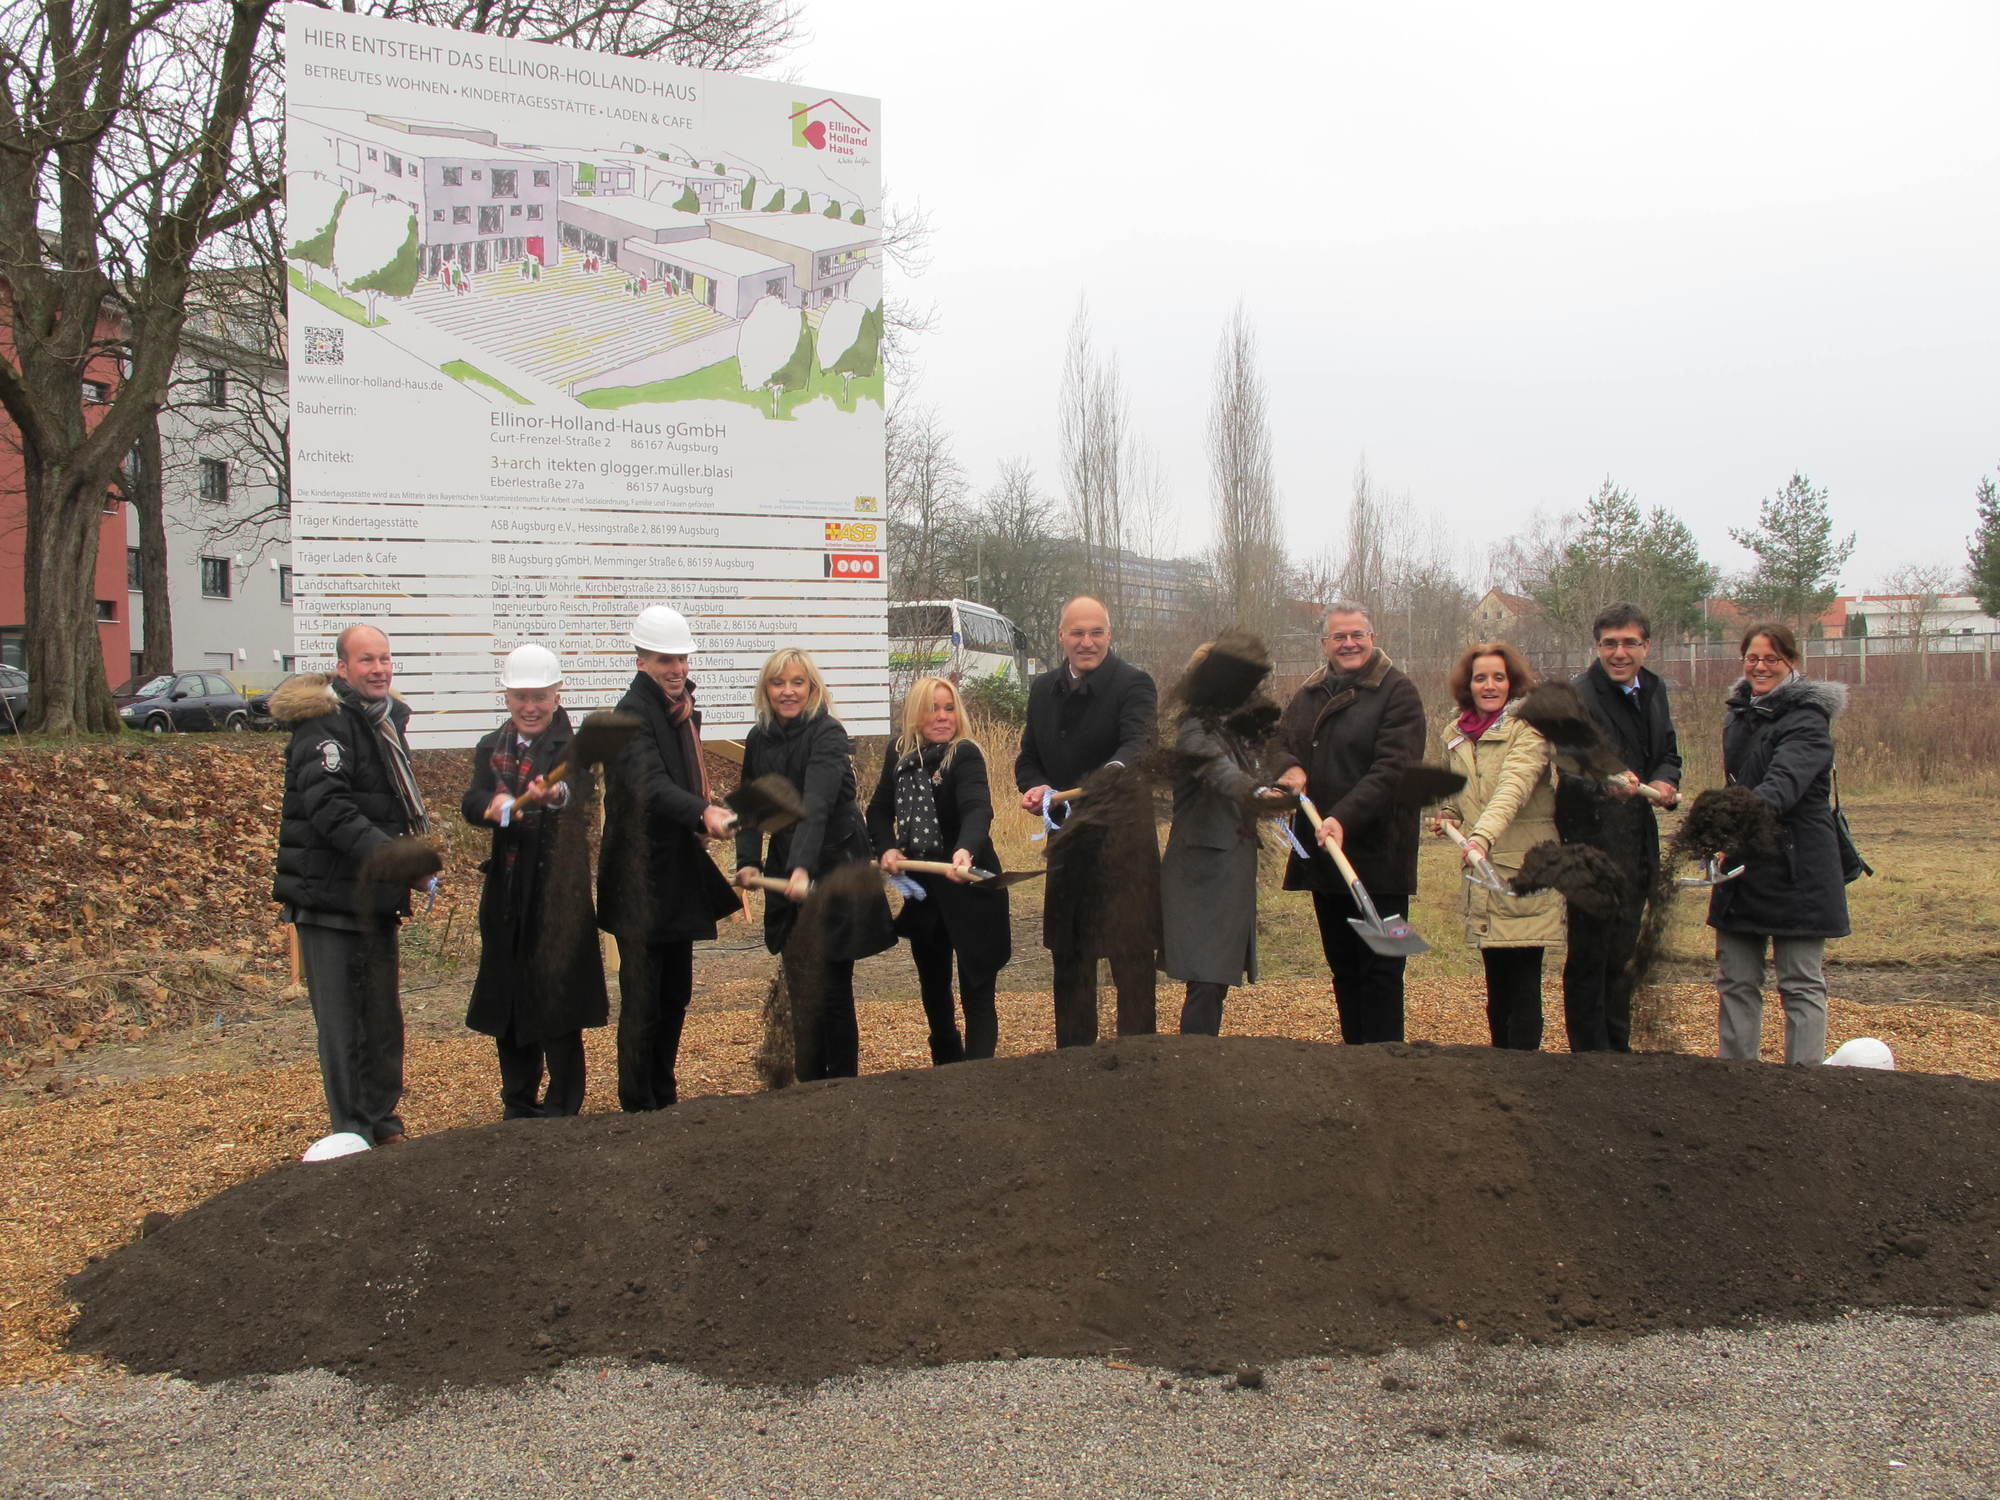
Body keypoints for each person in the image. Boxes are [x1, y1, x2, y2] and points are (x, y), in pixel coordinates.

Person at [270, 624, 429, 1147]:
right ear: (343, 669)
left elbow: (389, 808)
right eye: (366, 660)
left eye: (385, 658)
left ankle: (383, 1123)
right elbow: (330, 809)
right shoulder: (324, 727)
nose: (379, 668)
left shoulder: (382, 724)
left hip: (374, 901)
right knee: (344, 1029)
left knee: (382, 1023)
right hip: (328, 899)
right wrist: (394, 858)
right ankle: (353, 1132)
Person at [597, 605, 742, 1112]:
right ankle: (639, 1103)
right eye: (664, 660)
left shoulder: (678, 714)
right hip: (638, 879)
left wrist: (709, 811)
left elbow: (677, 784)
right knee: (643, 998)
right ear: (641, 661)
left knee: (675, 993)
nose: (676, 669)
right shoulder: (629, 717)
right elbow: (650, 787)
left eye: (681, 659)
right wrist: (704, 812)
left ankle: (664, 1092)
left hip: (674, 874)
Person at [460, 644, 607, 1118]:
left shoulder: (573, 747)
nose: (530, 706)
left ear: (556, 695)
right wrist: (491, 808)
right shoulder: (491, 746)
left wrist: (556, 793)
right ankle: (517, 1102)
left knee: (558, 1001)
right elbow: (473, 799)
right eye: (521, 696)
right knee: (511, 998)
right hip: (506, 893)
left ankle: (563, 1105)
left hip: (557, 893)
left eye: (539, 696)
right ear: (507, 697)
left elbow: (581, 789)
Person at [735, 648, 894, 1081]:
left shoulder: (828, 734)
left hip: (837, 866)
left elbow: (816, 805)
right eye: (778, 683)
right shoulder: (758, 738)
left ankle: (841, 1086)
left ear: (812, 688)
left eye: (797, 683)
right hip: (788, 865)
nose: (787, 691)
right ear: (766, 690)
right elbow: (750, 808)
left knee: (834, 986)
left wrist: (803, 869)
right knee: (801, 982)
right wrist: (748, 861)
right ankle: (809, 1085)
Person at [1273, 603, 1426, 1045]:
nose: (1349, 644)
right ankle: (1356, 1063)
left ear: (1373, 638)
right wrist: (1288, 767)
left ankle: (1387, 1067)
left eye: (1357, 634)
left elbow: (1394, 769)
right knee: (1343, 967)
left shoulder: (1399, 692)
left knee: (1384, 968)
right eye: (1339, 637)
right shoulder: (1309, 693)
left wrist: (1344, 816)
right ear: (1325, 644)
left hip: (1382, 860)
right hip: (1326, 860)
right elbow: (1277, 741)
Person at [1014, 595, 1160, 1047]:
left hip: (1124, 848)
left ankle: (1138, 1063)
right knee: (1071, 958)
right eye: (1077, 632)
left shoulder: (1135, 684)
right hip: (1069, 846)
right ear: (1062, 636)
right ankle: (1074, 1064)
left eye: (1096, 632)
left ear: (1109, 635)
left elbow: (1139, 745)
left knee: (1130, 961)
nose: (1087, 641)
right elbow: (1028, 757)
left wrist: (1108, 777)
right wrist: (1037, 786)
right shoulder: (1042, 689)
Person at [1709, 623, 1850, 1065]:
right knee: (1735, 979)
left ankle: (1804, 1087)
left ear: (1792, 662)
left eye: (1772, 658)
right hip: (1745, 862)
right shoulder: (1740, 713)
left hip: (1798, 867)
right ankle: (1737, 1080)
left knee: (1801, 983)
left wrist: (1731, 826)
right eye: (1753, 657)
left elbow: (1783, 785)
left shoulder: (1808, 719)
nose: (1761, 666)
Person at [1557, 603, 1682, 1052]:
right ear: (1597, 646)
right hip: (1589, 842)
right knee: (1590, 952)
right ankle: (1589, 1054)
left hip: (1636, 841)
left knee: (1623, 950)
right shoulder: (1580, 697)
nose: (1619, 652)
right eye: (1610, 643)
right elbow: (1568, 767)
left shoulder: (1654, 689)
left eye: (1629, 642)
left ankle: (1618, 1044)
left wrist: (1666, 779)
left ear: (1646, 646)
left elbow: (1667, 750)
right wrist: (1604, 784)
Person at [866, 676, 1011, 1064]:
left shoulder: (964, 754)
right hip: (926, 892)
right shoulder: (898, 754)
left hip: (970, 884)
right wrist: (888, 847)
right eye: (934, 708)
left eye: (949, 708)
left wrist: (965, 850)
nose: (943, 716)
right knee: (934, 988)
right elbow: (878, 811)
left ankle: (978, 1075)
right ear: (915, 712)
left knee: (977, 987)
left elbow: (977, 807)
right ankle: (946, 1068)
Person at [1430, 641, 1564, 1050]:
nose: (1489, 685)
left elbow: (1513, 788)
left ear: (1513, 683)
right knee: (1496, 983)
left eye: (1498, 678)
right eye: (1480, 677)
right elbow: (1457, 794)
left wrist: (1480, 837)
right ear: (1467, 685)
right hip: (1484, 872)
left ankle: (1525, 1073)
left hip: (1524, 871)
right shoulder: (1455, 734)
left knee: (1523, 982)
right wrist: (1449, 818)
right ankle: (1500, 1069)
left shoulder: (1530, 728)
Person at [1159, 639, 1293, 1036]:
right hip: (1201, 873)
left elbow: (1258, 766)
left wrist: (1279, 786)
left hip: (1227, 868)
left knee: (1213, 980)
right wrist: (1256, 794)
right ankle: (1196, 1065)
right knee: (1206, 976)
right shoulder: (1194, 728)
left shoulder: (1236, 729)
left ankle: (1202, 1062)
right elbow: (1219, 772)